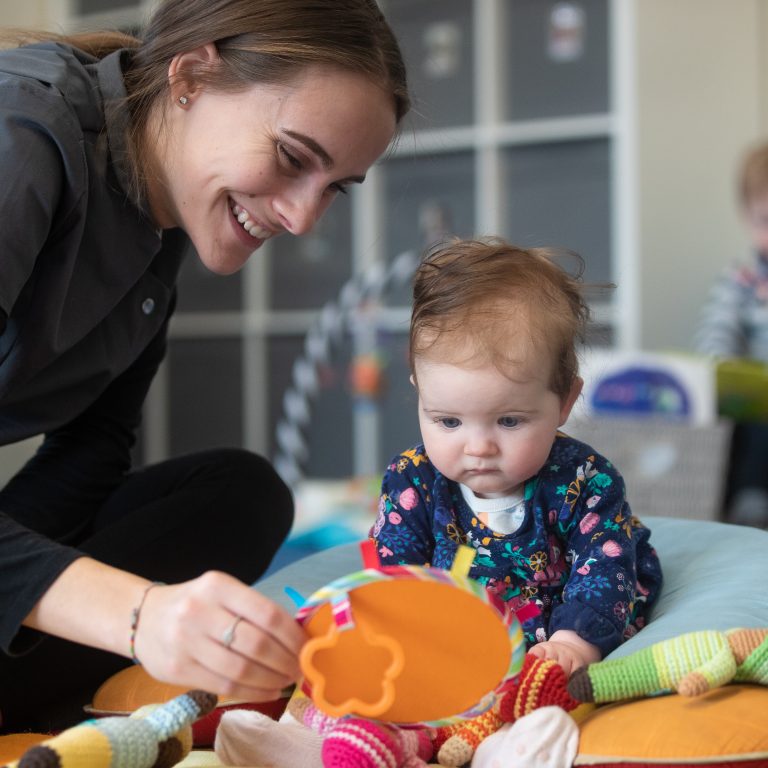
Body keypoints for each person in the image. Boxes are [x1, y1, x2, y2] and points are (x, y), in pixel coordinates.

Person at [0, 0, 409, 733]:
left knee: (238, 493)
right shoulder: (22, 138)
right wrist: (136, 616)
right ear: (190, 76)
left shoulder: (160, 219)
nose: (303, 218)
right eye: (292, 157)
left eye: (334, 188)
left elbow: (90, 454)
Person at [370, 237, 663, 675]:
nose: (478, 447)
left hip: (561, 626)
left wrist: (574, 643)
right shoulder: (413, 480)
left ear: (564, 401)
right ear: (420, 394)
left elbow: (604, 570)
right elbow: (395, 569)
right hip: (459, 634)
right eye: (448, 421)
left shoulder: (585, 481)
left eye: (508, 421)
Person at [694, 141, 768, 529]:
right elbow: (718, 326)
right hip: (752, 391)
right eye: (765, 221)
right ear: (747, 219)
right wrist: (719, 363)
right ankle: (736, 496)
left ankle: (753, 495)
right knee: (733, 425)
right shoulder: (742, 278)